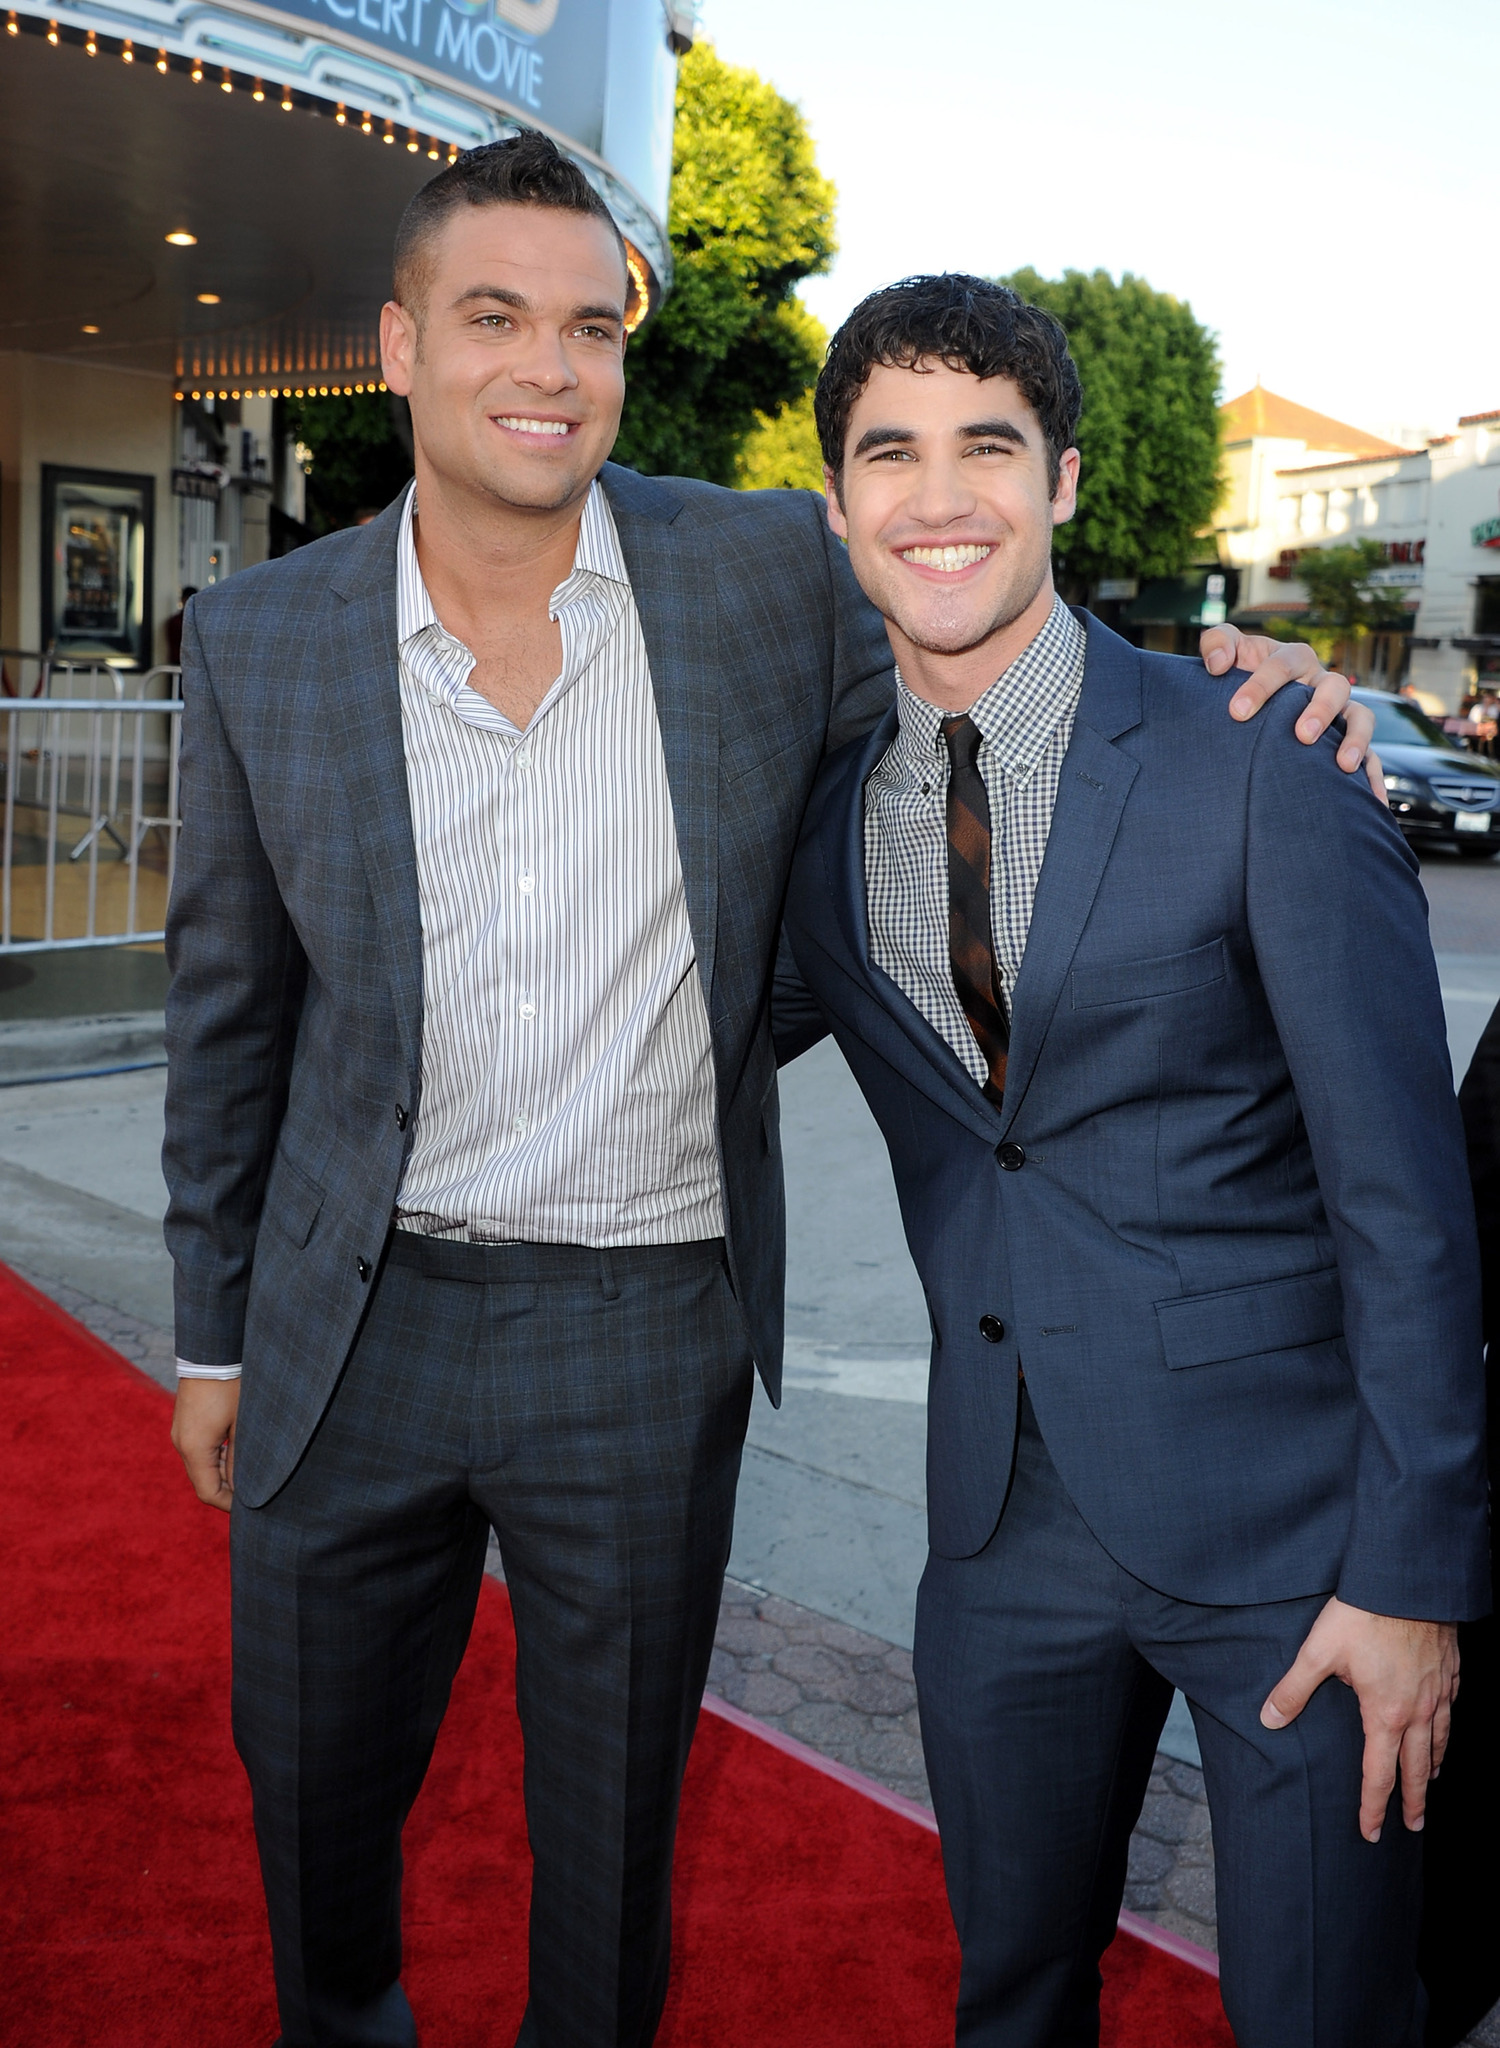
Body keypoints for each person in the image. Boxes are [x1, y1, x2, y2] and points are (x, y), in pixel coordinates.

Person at [164, 139, 1368, 2048]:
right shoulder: (259, 640)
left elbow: (980, 631)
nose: (547, 366)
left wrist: (1247, 676)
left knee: (614, 1847)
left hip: (646, 1321)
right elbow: (230, 1020)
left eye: (589, 324)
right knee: (310, 1804)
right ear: (400, 345)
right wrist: (211, 1336)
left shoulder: (749, 574)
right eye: (494, 318)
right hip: (351, 1323)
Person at [774, 274, 1490, 2048]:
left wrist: (1413, 1577)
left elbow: (1408, 1206)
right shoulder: (818, 811)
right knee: (1011, 1998)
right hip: (995, 1527)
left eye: (987, 447)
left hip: (1297, 1539)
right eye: (892, 453)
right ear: (842, 501)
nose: (940, 496)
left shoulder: (1261, 754)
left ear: (1067, 480)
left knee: (1326, 2015)